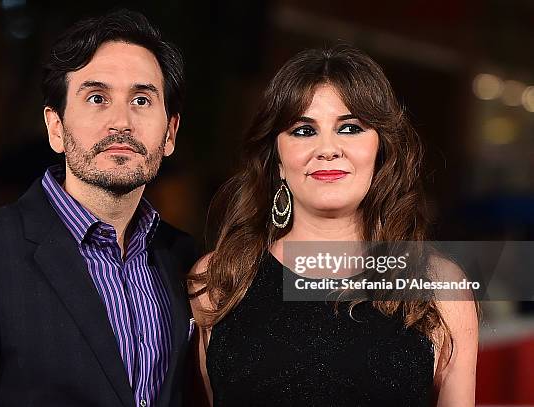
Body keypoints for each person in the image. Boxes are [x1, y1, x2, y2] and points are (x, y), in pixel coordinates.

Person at [0, 9, 197, 407]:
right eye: (97, 98)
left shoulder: (184, 259)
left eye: (141, 99)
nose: (121, 122)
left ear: (169, 132)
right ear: (56, 128)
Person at [189, 46, 478, 406]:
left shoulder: (439, 289)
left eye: (350, 128)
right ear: (277, 159)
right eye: (304, 130)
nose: (328, 148)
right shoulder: (219, 280)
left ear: (381, 150)